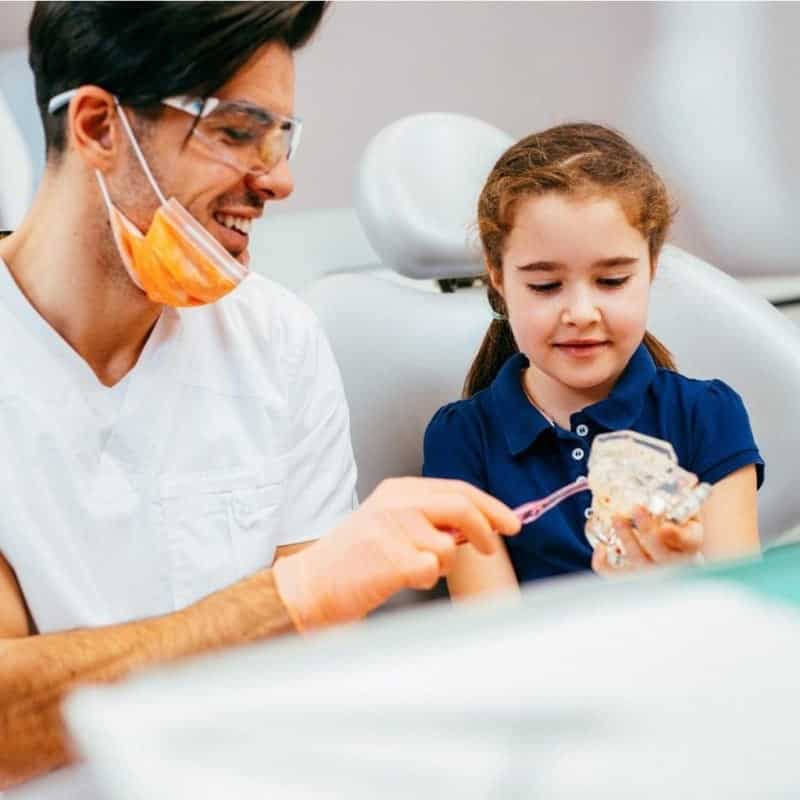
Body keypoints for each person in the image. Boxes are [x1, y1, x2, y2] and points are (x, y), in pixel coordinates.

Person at [0, 3, 522, 793]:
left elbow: (308, 672)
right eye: (237, 132)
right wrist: (293, 596)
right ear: (100, 127)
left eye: (281, 137)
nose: (277, 178)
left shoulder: (278, 339)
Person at [423, 122, 763, 599]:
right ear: (497, 275)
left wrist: (683, 576)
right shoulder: (461, 441)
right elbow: (492, 638)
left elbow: (741, 618)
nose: (581, 314)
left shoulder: (708, 416)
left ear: (652, 265)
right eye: (545, 286)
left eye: (612, 281)